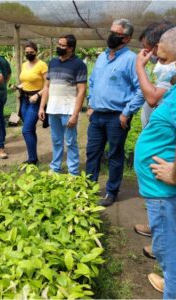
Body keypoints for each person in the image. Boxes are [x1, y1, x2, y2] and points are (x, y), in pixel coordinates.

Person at [134, 25, 176, 299]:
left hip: (169, 195)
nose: (159, 65)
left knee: (174, 261)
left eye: (164, 59)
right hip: (172, 195)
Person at [86, 19, 144, 206]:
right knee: (92, 152)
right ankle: (87, 186)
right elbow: (93, 81)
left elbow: (141, 89)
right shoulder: (102, 57)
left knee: (115, 155)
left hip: (117, 117)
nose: (110, 36)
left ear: (126, 39)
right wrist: (91, 103)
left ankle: (111, 191)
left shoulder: (131, 59)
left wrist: (126, 112)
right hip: (97, 115)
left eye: (115, 34)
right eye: (110, 31)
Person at [39, 34, 87, 175]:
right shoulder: (52, 62)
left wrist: (75, 114)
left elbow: (81, 90)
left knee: (71, 142)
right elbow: (47, 86)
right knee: (56, 141)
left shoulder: (79, 65)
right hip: (53, 109)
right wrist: (42, 106)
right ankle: (56, 167)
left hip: (68, 109)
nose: (59, 47)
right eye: (58, 44)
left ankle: (73, 172)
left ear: (71, 48)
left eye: (62, 45)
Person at [137, 21, 174, 129]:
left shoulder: (171, 68)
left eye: (146, 48)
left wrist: (139, 67)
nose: (143, 52)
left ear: (158, 46)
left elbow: (153, 99)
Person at [19, 41, 48, 164]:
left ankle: (32, 159)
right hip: (24, 99)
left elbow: (48, 85)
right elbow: (26, 80)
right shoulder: (24, 65)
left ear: (36, 52)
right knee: (30, 130)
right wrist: (20, 86)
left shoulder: (42, 65)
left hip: (36, 99)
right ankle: (33, 157)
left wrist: (38, 94)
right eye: (26, 52)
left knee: (26, 130)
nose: (29, 54)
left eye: (31, 52)